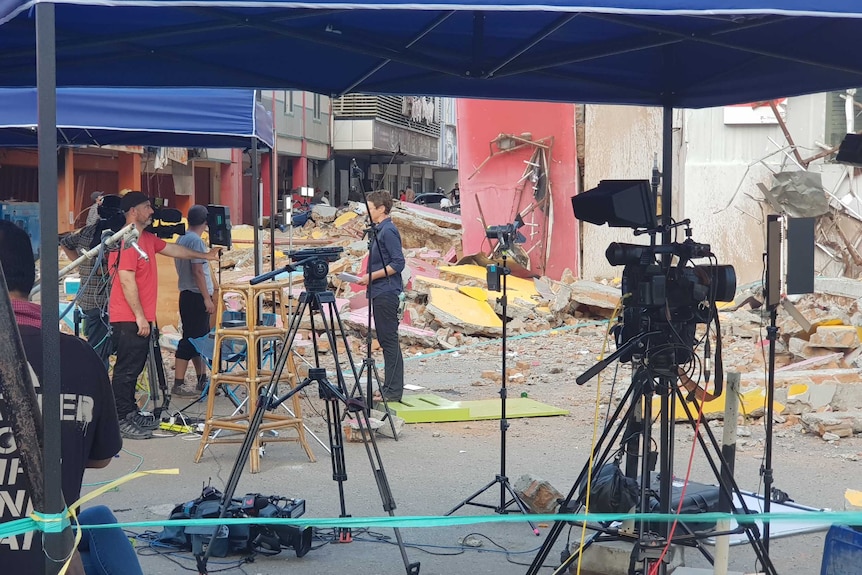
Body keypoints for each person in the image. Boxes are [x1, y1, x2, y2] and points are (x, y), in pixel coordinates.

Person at [0, 220, 141, 575]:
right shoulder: (79, 356)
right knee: (98, 520)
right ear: (30, 277)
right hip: (53, 557)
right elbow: (99, 458)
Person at [108, 192, 221, 439]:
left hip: (141, 316)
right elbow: (126, 280)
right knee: (127, 370)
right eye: (147, 207)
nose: (151, 211)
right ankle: (119, 417)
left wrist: (206, 256)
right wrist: (139, 316)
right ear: (133, 211)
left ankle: (129, 412)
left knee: (135, 367)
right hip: (128, 316)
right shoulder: (127, 241)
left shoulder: (146, 238)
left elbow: (175, 250)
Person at [356, 190, 405, 402]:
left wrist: (371, 276)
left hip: (386, 290)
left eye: (370, 208)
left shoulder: (388, 231)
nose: (367, 212)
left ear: (381, 209)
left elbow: (398, 262)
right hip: (379, 290)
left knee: (389, 340)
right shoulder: (378, 231)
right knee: (385, 340)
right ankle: (388, 386)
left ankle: (393, 391)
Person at [60, 195, 119, 370]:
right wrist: (85, 265)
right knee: (99, 351)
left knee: (97, 346)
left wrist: (79, 264)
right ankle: (99, 387)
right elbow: (108, 268)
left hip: (88, 299)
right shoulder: (114, 237)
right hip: (103, 302)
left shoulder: (88, 231)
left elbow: (65, 242)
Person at [172, 204, 218, 397]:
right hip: (196, 295)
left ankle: (202, 380)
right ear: (206, 222)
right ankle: (178, 384)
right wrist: (207, 298)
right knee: (190, 340)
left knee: (197, 339)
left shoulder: (182, 237)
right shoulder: (196, 242)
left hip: (188, 294)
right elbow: (197, 271)